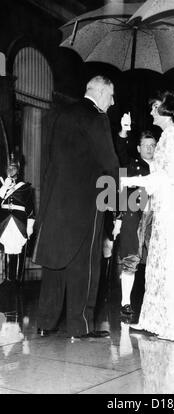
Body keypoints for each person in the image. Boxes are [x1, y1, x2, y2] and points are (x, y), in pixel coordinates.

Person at [33, 75, 119, 339]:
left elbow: (49, 159)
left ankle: (45, 323)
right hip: (86, 204)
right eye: (112, 95)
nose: (113, 102)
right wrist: (115, 207)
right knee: (85, 266)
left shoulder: (61, 114)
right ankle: (79, 326)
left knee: (55, 264)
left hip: (56, 202)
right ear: (101, 92)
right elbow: (110, 164)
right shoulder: (97, 117)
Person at [121, 91, 174, 342]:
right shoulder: (167, 137)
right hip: (164, 208)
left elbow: (168, 178)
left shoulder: (173, 137)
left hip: (171, 211)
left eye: (155, 107)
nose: (151, 111)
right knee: (157, 265)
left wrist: (129, 179)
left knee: (169, 266)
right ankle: (154, 321)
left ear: (166, 110)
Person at [114, 121, 156, 319]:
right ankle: (126, 302)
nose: (149, 149)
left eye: (153, 145)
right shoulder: (132, 164)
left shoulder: (163, 166)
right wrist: (124, 130)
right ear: (138, 148)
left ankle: (155, 303)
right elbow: (120, 151)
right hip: (134, 216)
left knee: (156, 261)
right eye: (146, 146)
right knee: (131, 259)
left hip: (157, 219)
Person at [0, 153, 35, 284]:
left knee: (19, 248)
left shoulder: (25, 187)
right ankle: (8, 279)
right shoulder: (2, 185)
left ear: (18, 170)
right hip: (4, 221)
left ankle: (18, 280)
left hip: (19, 222)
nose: (11, 170)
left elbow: (31, 210)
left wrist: (30, 226)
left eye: (13, 167)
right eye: (9, 167)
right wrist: (4, 187)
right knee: (7, 247)